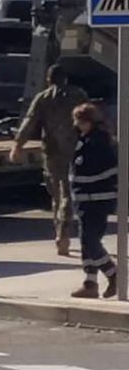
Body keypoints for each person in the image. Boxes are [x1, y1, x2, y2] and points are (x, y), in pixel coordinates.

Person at [10, 64, 88, 255]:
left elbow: (29, 122)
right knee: (69, 193)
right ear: (66, 79)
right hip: (75, 150)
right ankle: (65, 232)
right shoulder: (79, 95)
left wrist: (17, 145)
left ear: (48, 80)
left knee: (57, 194)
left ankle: (60, 232)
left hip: (52, 151)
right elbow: (91, 120)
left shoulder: (43, 98)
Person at [68, 103, 118, 298]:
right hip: (84, 200)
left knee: (91, 240)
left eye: (79, 121)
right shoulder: (85, 140)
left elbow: (99, 171)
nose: (76, 125)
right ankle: (90, 283)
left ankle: (113, 274)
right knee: (85, 242)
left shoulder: (99, 143)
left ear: (88, 121)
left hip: (96, 200)